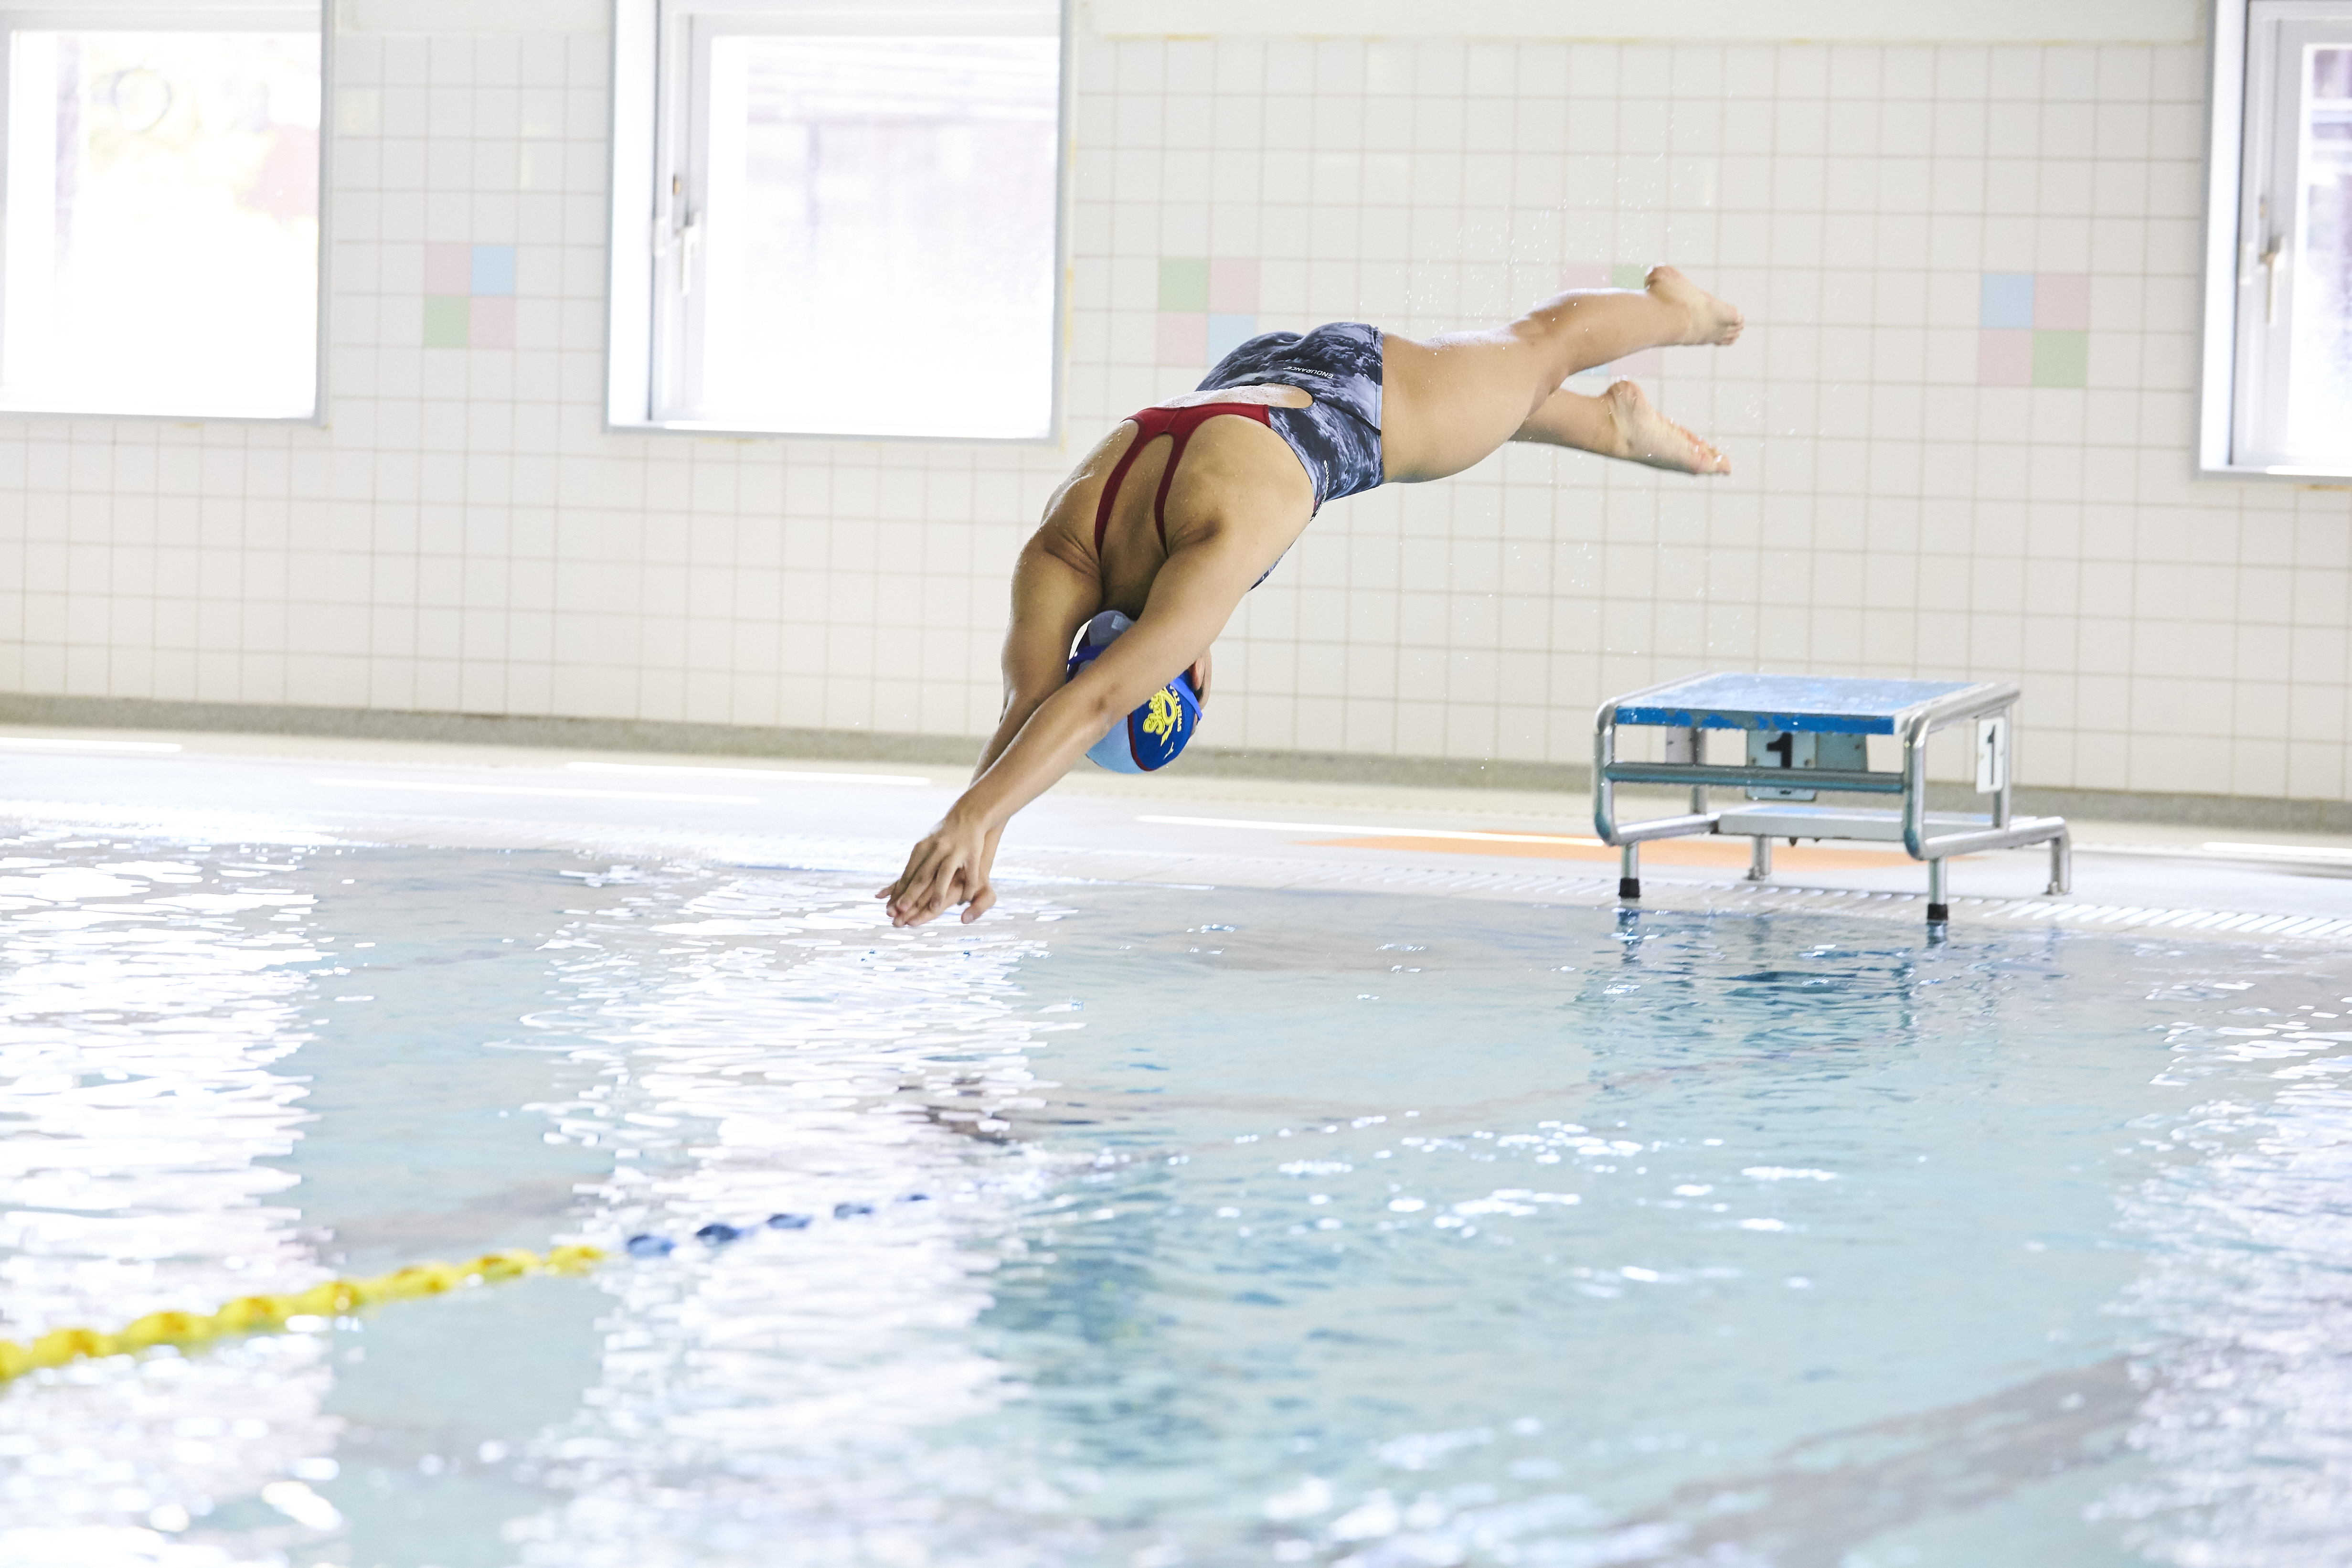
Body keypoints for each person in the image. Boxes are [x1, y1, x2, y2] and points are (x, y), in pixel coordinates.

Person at [879, 267, 1744, 927]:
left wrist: (972, 819)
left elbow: (1098, 697)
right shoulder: (1063, 547)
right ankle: (1611, 425)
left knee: (1536, 348)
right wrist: (973, 836)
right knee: (1486, 396)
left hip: (1357, 404)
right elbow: (1033, 704)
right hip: (1237, 384)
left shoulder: (1214, 558)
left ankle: (1680, 310)